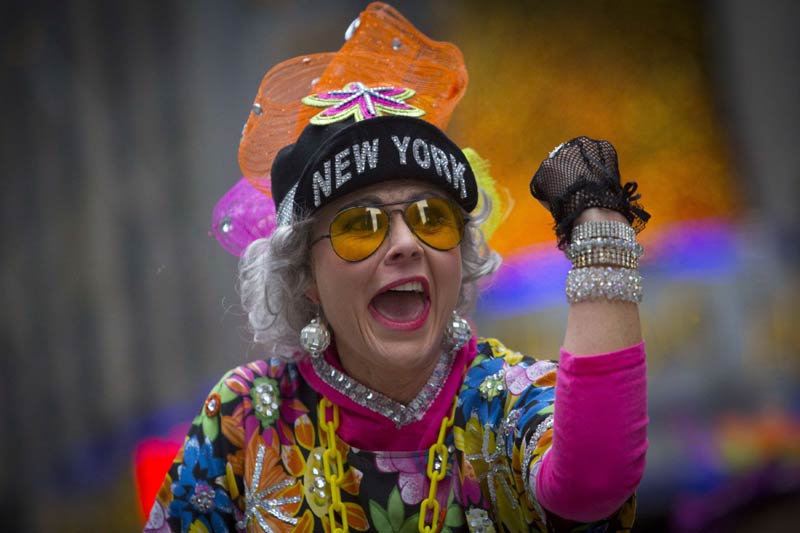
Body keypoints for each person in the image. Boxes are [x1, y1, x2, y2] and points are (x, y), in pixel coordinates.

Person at [145, 3, 650, 532]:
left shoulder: (509, 399)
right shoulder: (246, 417)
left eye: (431, 218)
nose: (407, 244)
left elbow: (593, 482)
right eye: (360, 226)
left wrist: (599, 224)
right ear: (306, 278)